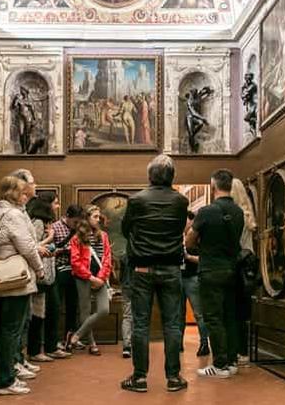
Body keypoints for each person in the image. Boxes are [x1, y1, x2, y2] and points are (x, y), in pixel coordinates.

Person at [121, 154, 189, 393]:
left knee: (140, 324)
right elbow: (180, 228)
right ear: (172, 176)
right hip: (171, 268)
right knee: (172, 324)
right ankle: (173, 377)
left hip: (142, 268)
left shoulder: (137, 200)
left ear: (150, 175)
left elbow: (125, 229)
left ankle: (139, 378)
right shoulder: (181, 201)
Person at [0, 175, 45, 396]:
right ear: (13, 193)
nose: (25, 196)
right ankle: (6, 380)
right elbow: (28, 247)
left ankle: (8, 374)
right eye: (22, 192)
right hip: (16, 280)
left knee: (5, 328)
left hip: (3, 279)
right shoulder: (13, 215)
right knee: (12, 330)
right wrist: (39, 269)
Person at [186, 169, 244, 378]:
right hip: (232, 269)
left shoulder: (206, 212)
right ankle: (231, 361)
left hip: (210, 269)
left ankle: (219, 365)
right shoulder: (238, 212)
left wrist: (203, 244)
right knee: (230, 315)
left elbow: (189, 241)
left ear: (213, 186)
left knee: (213, 317)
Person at [26, 194, 68, 363]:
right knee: (38, 314)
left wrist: (52, 247)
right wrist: (51, 239)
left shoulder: (45, 223)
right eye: (55, 203)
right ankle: (35, 351)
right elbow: (34, 247)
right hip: (40, 276)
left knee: (49, 311)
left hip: (48, 274)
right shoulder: (37, 222)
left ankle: (48, 348)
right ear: (47, 205)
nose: (57, 206)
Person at [68, 205, 112, 355]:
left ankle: (77, 335)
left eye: (99, 217)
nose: (98, 219)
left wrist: (100, 277)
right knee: (85, 311)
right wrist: (90, 277)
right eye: (95, 216)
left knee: (104, 310)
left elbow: (107, 258)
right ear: (86, 218)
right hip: (83, 278)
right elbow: (75, 262)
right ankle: (92, 344)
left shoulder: (103, 236)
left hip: (100, 278)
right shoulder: (77, 238)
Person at [230, 178, 258, 367]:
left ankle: (236, 351)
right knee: (243, 311)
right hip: (248, 267)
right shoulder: (248, 215)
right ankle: (243, 351)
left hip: (236, 266)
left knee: (232, 310)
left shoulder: (235, 215)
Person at [50, 204, 84, 351]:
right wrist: (67, 250)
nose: (76, 225)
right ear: (67, 217)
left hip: (74, 270)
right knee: (56, 306)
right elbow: (50, 250)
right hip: (58, 269)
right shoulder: (55, 227)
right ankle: (54, 340)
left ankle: (70, 338)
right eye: (75, 222)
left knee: (73, 305)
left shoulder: (79, 229)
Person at [181, 210, 210, 357]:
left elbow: (205, 259)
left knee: (199, 313)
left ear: (191, 221)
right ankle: (177, 343)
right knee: (178, 313)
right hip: (178, 277)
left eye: (185, 220)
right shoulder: (176, 236)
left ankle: (204, 343)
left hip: (192, 277)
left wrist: (188, 257)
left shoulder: (198, 237)